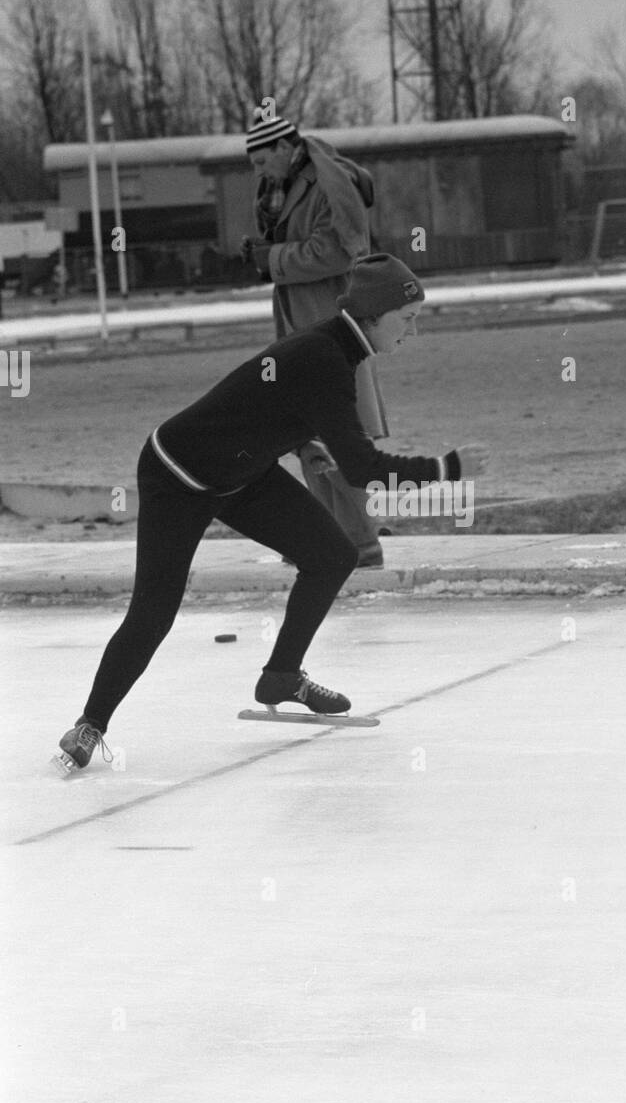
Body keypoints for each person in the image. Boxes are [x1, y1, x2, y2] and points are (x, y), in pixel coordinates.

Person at [54, 254, 488, 773]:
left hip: (243, 473)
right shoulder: (324, 356)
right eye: (408, 318)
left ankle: (282, 676)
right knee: (154, 612)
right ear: (375, 313)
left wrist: (307, 441)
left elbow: (276, 405)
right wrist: (447, 466)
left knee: (331, 555)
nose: (413, 332)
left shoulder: (335, 350)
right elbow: (363, 467)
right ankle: (89, 725)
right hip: (177, 474)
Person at [240, 110, 387, 567]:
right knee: (307, 433)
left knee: (334, 435)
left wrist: (274, 258)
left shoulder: (328, 184)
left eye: (263, 161)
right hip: (301, 323)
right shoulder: (282, 189)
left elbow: (340, 251)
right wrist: (267, 254)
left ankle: (358, 544)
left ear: (285, 148)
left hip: (329, 324)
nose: (259, 172)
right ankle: (327, 540)